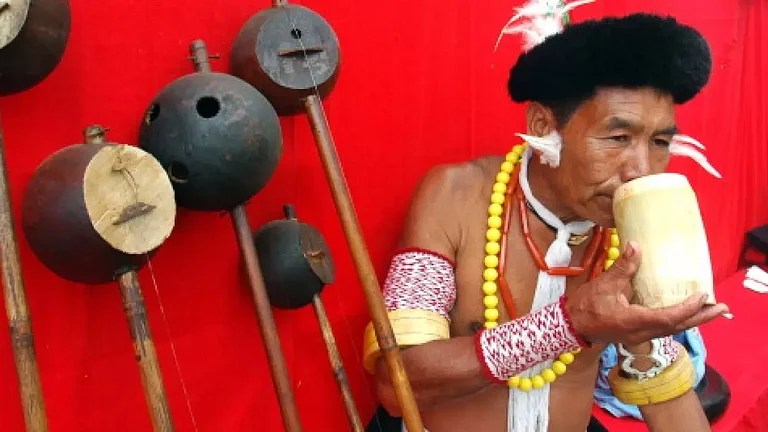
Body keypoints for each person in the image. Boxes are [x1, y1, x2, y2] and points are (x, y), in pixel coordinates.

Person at [361, 7, 731, 432]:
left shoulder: (633, 234)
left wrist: (647, 343)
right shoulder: (453, 196)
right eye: (618, 138)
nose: (641, 170)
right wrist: (569, 323)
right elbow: (396, 384)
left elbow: (668, 399)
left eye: (660, 141)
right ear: (542, 125)